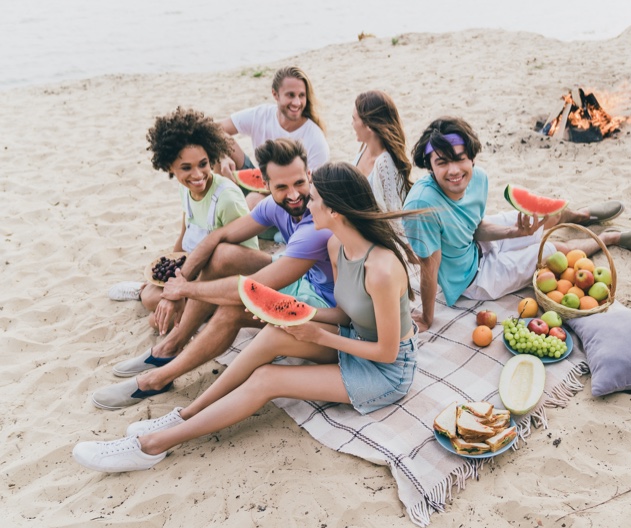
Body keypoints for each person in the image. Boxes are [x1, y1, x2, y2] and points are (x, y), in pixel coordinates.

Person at [73, 162, 420, 472]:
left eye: (313, 198)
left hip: (386, 372)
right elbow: (346, 312)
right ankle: (185, 414)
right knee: (272, 335)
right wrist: (302, 317)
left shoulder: (382, 270)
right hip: (355, 341)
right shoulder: (336, 246)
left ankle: (153, 446)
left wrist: (320, 336)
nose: (307, 203)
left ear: (335, 210)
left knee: (268, 378)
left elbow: (387, 353)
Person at [91, 138, 336, 410]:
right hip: (303, 281)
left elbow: (250, 289)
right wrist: (178, 282)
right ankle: (171, 346)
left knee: (231, 311)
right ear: (266, 185)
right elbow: (219, 236)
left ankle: (157, 379)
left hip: (327, 311)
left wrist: (184, 291)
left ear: (309, 175)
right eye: (281, 187)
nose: (293, 194)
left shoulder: (316, 226)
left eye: (299, 183)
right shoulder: (273, 206)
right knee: (222, 254)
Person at [402, 117, 631, 332]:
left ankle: (582, 216)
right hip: (475, 278)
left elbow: (474, 227)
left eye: (460, 158)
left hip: (475, 244)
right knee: (554, 250)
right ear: (429, 167)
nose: (454, 170)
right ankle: (611, 238)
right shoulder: (422, 206)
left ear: (472, 158)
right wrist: (426, 318)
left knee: (543, 216)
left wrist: (514, 233)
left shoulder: (478, 179)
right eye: (442, 162)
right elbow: (429, 267)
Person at [107, 108, 259, 330]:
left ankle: (199, 312)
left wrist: (186, 288)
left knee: (153, 304)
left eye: (203, 164)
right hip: (194, 269)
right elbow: (184, 232)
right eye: (186, 168)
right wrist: (171, 270)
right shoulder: (185, 190)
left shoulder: (226, 198)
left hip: (221, 278)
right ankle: (146, 290)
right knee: (151, 294)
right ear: (170, 167)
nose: (197, 175)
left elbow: (238, 258)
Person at [218, 66, 330, 209]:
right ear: (275, 94)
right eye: (290, 95)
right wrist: (222, 156)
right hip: (264, 180)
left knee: (253, 201)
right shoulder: (261, 115)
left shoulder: (315, 139)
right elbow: (216, 128)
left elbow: (313, 192)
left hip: (290, 196)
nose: (297, 102)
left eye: (301, 95)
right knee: (222, 144)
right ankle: (220, 204)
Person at [351, 90, 413, 213]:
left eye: (354, 119)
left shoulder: (385, 164)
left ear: (369, 126)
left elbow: (394, 218)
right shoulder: (365, 147)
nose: (352, 124)